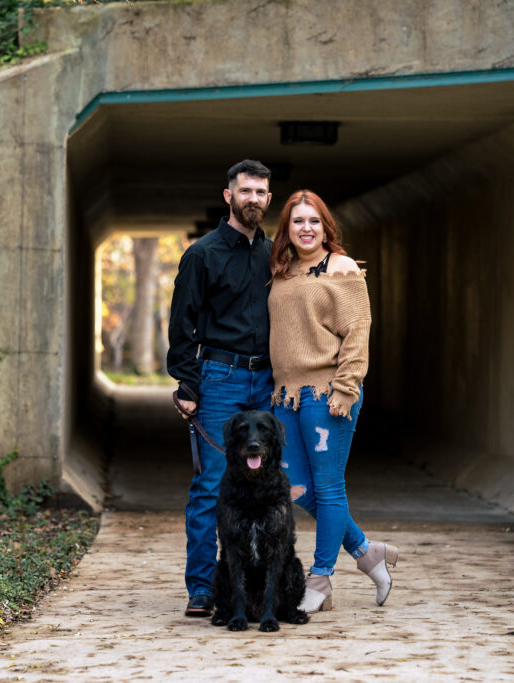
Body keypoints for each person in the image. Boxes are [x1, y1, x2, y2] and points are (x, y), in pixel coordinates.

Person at [267, 189, 399, 612]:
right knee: (293, 486)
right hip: (285, 396)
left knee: (327, 486)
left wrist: (346, 387)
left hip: (328, 394)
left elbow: (357, 334)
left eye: (314, 221)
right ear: (286, 229)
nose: (306, 228)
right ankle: (365, 552)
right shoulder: (283, 271)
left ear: (326, 227)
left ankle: (321, 578)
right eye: (297, 221)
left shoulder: (342, 271)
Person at [167, 159, 274, 617]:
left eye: (261, 192)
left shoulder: (276, 255)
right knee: (211, 484)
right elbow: (181, 325)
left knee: (268, 486)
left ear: (269, 200)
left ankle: (256, 585)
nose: (254, 199)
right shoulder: (202, 254)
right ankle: (202, 587)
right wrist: (187, 385)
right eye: (246, 191)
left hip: (268, 379)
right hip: (220, 379)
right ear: (228, 195)